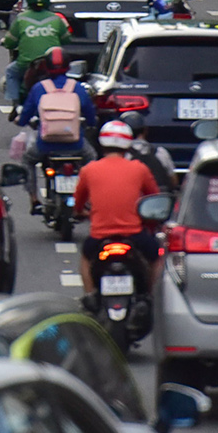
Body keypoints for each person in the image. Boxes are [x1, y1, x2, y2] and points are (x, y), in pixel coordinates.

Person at [73, 119, 161, 302]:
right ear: (127, 144)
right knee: (157, 257)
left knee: (85, 258)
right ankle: (152, 296)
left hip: (99, 237)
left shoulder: (89, 170)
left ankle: (90, 298)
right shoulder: (139, 168)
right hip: (134, 234)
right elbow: (155, 199)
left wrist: (80, 213)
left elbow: (78, 203)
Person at [17, 49, 96, 210]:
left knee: (27, 160)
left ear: (46, 67)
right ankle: (88, 198)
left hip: (45, 145)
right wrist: (92, 123)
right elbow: (90, 114)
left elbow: (26, 114)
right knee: (92, 158)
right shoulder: (78, 88)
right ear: (68, 67)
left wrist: (21, 120)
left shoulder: (39, 88)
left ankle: (33, 199)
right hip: (76, 145)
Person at [1, 0, 72, 104]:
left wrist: (5, 42)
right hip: (52, 64)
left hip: (26, 64)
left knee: (11, 72)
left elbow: (10, 43)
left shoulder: (21, 19)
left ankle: (15, 102)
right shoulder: (56, 19)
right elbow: (66, 40)